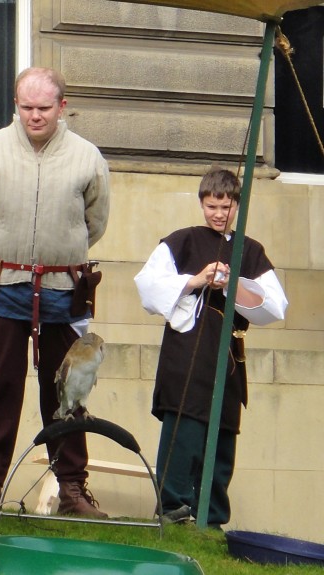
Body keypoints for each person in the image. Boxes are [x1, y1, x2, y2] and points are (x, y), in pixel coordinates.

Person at [0, 67, 111, 517]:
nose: (34, 116)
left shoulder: (87, 156)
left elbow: (94, 222)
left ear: (62, 107)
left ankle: (72, 490)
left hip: (65, 288)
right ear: (16, 106)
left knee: (68, 392)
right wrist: (3, 253)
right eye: (26, 107)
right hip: (6, 286)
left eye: (44, 108)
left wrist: (61, 252)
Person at [134, 167, 287, 527]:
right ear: (202, 203)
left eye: (226, 205)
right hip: (186, 350)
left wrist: (236, 284)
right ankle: (172, 507)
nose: (218, 213)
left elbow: (275, 306)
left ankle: (212, 517)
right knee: (184, 426)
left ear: (237, 206)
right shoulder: (182, 241)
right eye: (211, 205)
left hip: (227, 355)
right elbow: (147, 287)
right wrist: (197, 279)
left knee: (221, 433)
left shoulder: (250, 251)